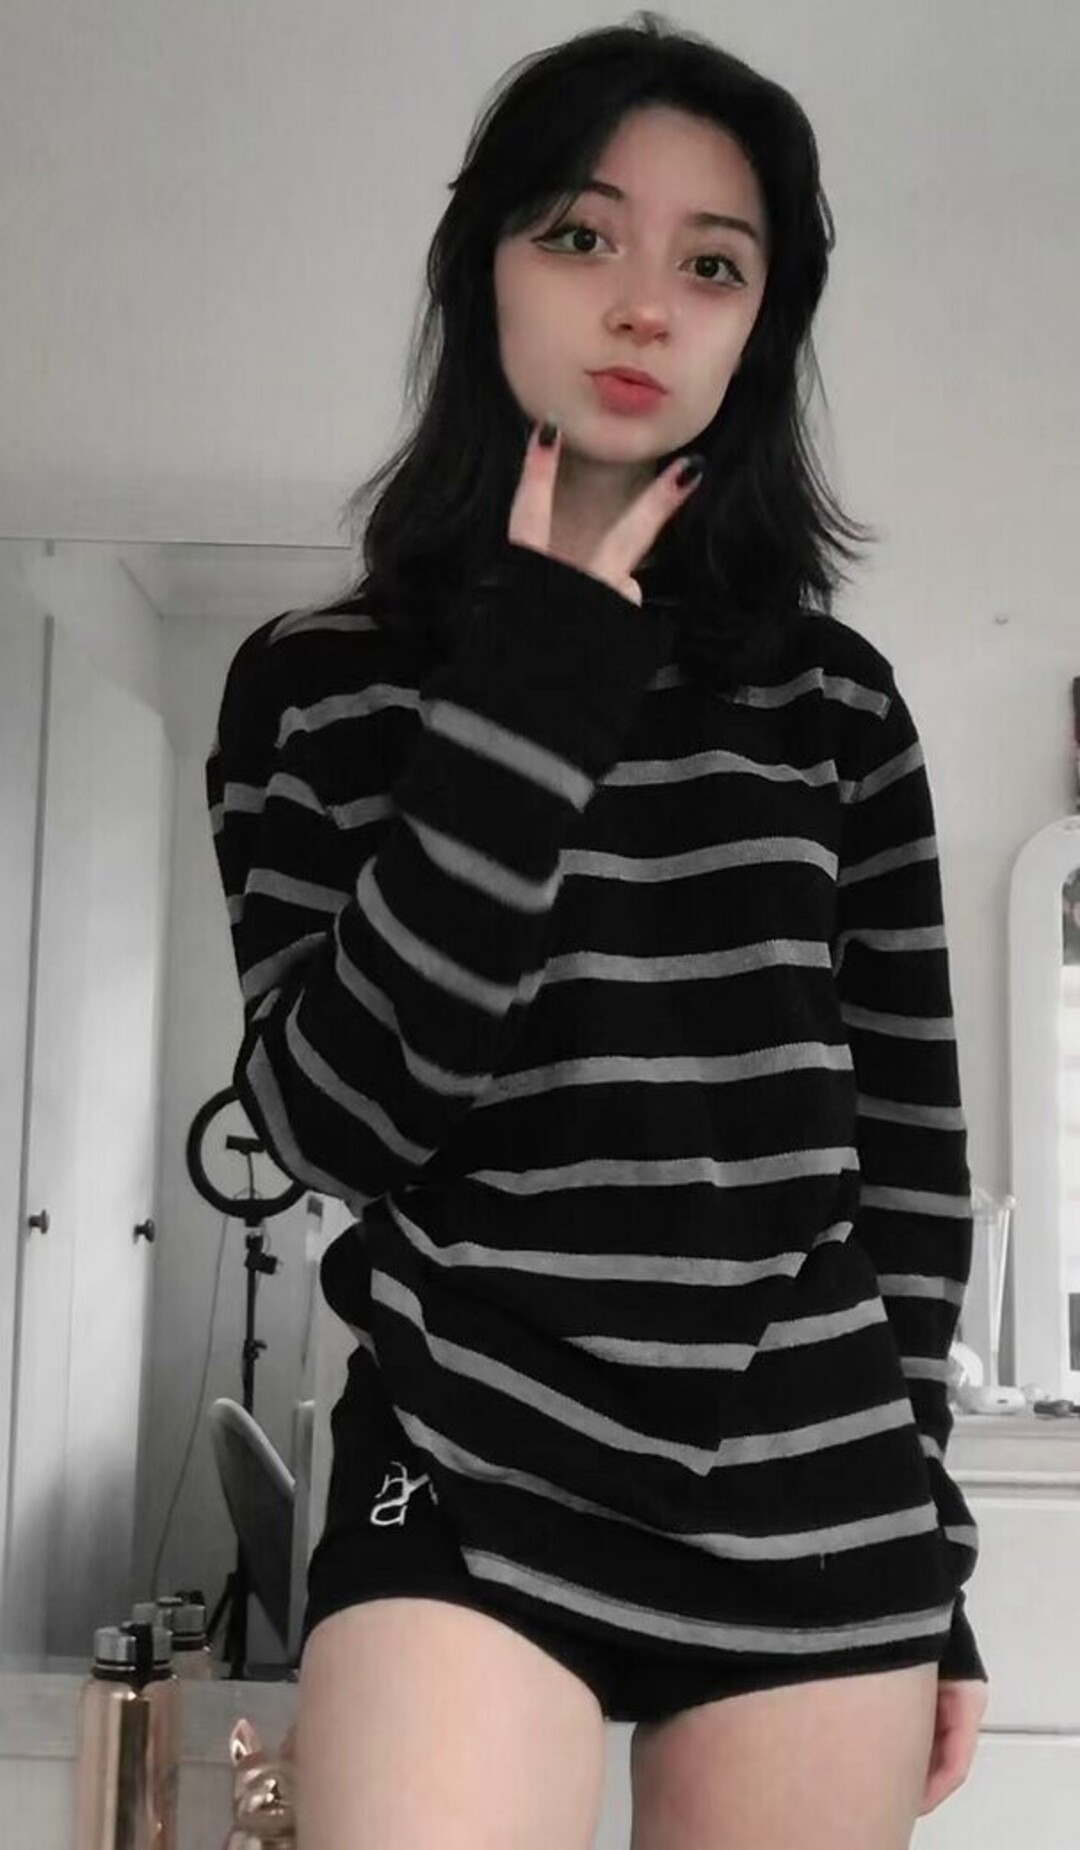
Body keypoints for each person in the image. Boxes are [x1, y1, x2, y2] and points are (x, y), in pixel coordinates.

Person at [206, 11, 988, 1846]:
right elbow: (334, 1124)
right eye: (580, 233)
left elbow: (909, 1171)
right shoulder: (316, 685)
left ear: (759, 325)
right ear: (481, 263)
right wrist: (538, 686)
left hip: (812, 1477)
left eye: (714, 265)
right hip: (463, 1451)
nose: (645, 305)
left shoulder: (835, 703)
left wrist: (935, 1549)